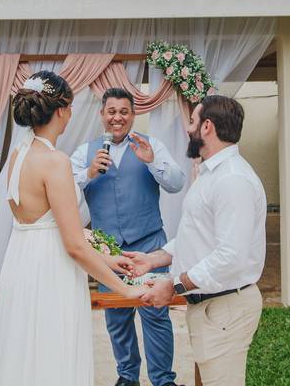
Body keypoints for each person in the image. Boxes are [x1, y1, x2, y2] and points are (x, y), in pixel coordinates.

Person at [0, 71, 148, 386]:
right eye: (70, 107)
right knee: (52, 351)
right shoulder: (54, 162)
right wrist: (125, 288)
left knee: (25, 352)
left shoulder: (19, 155)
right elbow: (72, 244)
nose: (71, 114)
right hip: (51, 271)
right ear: (61, 110)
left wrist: (110, 257)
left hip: (22, 264)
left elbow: (48, 225)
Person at [125, 95, 265, 386]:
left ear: (207, 127)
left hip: (226, 307)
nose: (188, 128)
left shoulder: (232, 180)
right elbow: (197, 234)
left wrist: (174, 285)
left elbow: (230, 255)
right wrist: (155, 259)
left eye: (192, 121)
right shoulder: (212, 173)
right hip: (210, 306)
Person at [71, 88, 186, 386]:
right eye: (112, 112)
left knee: (156, 314)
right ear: (102, 115)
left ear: (133, 115)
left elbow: (176, 183)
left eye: (124, 112)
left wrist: (150, 161)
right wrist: (88, 174)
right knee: (117, 318)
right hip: (107, 252)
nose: (117, 118)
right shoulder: (84, 153)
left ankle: (163, 380)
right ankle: (127, 377)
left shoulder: (152, 145)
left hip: (150, 243)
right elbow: (64, 194)